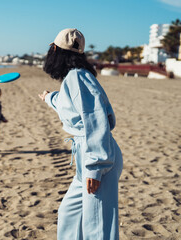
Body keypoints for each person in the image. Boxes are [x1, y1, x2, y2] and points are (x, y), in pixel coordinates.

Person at [38, 28, 123, 240]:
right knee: (70, 213)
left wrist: (95, 167)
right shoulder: (74, 78)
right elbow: (72, 107)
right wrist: (49, 98)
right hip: (87, 153)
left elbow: (95, 119)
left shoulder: (77, 78)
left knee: (97, 225)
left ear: (56, 50)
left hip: (97, 154)